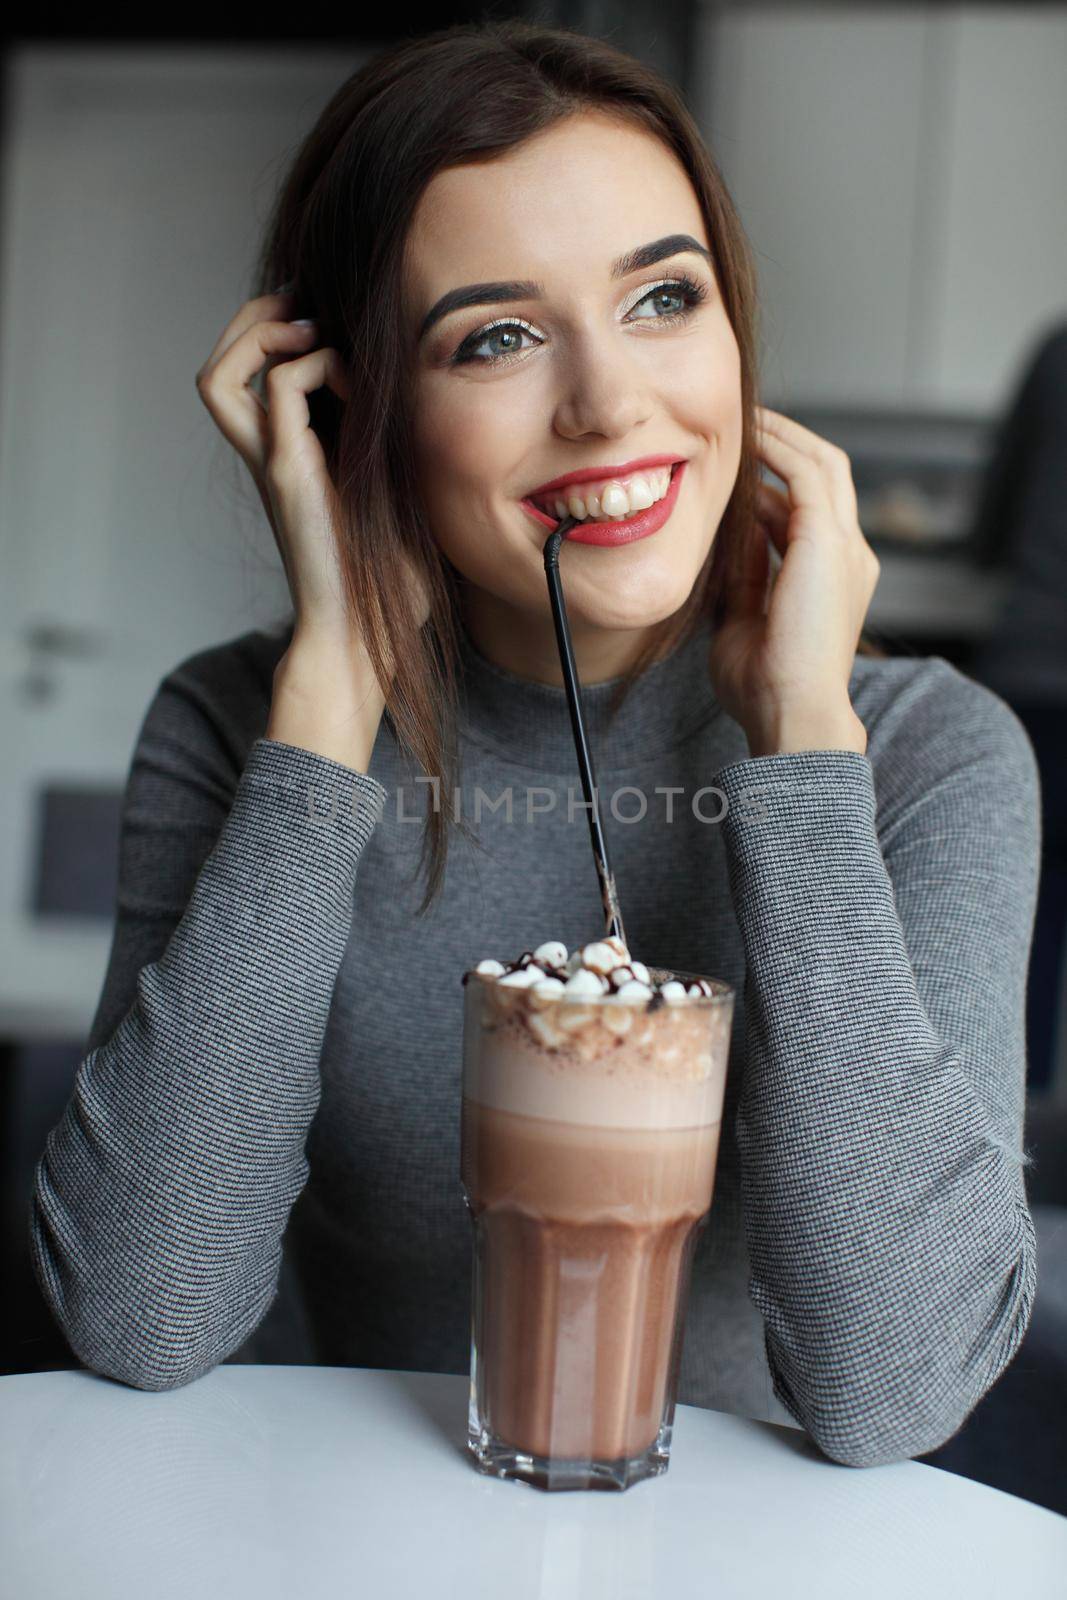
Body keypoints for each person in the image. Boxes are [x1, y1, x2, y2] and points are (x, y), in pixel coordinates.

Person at [29, 20, 1040, 1471]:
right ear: (356, 407)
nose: (611, 404)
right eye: (496, 336)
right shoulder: (238, 731)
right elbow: (141, 1314)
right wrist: (325, 703)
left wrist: (806, 750)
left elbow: (896, 1391)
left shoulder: (930, 753)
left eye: (663, 298)